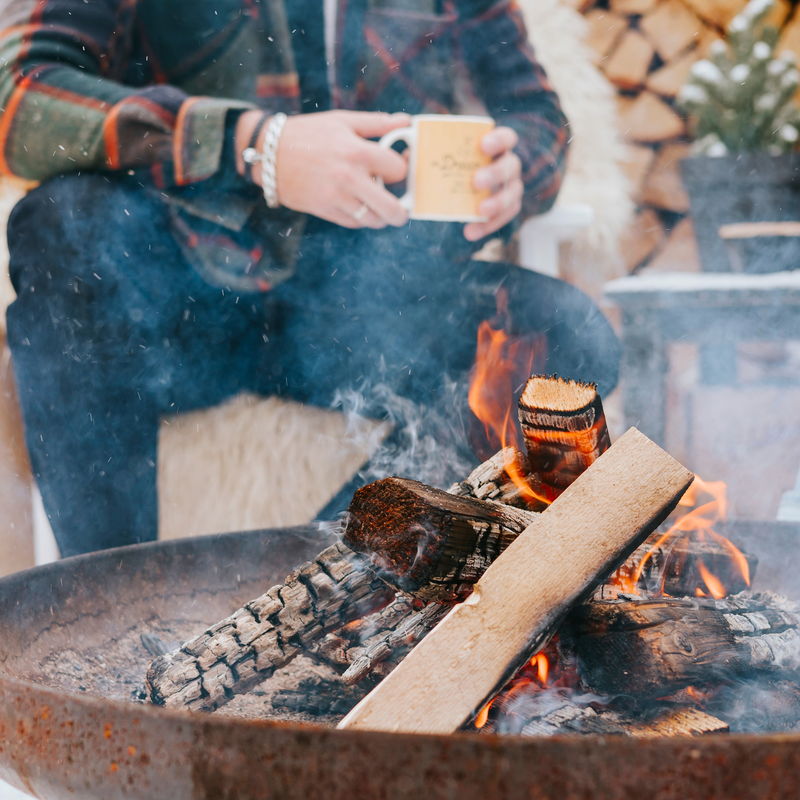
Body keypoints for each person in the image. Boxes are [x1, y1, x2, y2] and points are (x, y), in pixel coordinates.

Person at [0, 0, 620, 557]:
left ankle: (323, 575)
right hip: (178, 302)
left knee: (568, 336)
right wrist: (252, 145)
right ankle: (111, 597)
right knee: (59, 222)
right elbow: (17, 97)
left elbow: (539, 118)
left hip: (375, 308)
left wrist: (520, 171)